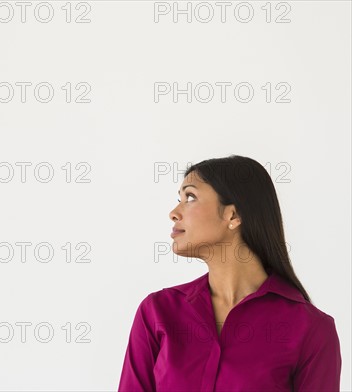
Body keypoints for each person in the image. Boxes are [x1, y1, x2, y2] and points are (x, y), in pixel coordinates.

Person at [118, 155, 342, 391]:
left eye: (190, 197)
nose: (174, 213)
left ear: (233, 216)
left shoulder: (311, 329)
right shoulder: (157, 312)